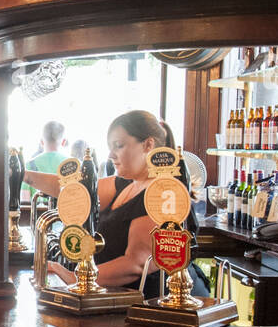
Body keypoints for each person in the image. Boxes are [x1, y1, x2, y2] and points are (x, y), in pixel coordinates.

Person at [37, 110, 209, 299]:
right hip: (128, 299)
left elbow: (136, 264)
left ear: (148, 144)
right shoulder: (126, 183)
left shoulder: (162, 192)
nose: (110, 154)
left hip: (157, 304)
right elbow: (73, 190)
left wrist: (73, 277)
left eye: (118, 146)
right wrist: (22, 174)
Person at [21, 120, 71, 199]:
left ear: (41, 142)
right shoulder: (73, 165)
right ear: (64, 142)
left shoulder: (28, 166)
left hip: (37, 210)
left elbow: (25, 200)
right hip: (65, 210)